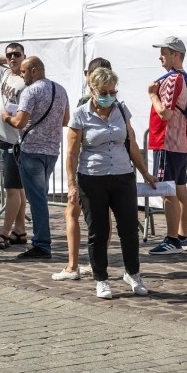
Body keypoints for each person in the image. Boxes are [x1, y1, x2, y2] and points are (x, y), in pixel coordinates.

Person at [66, 67, 156, 299]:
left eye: (113, 91)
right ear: (93, 90)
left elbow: (132, 143)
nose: (109, 96)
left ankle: (133, 274)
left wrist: (145, 172)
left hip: (122, 174)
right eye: (104, 91)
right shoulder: (80, 114)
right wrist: (71, 184)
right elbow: (72, 152)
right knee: (98, 230)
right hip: (92, 177)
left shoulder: (121, 110)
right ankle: (102, 279)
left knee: (129, 228)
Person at [2, 56, 70, 260]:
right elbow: (65, 120)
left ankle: (42, 243)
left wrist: (6, 117)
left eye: (23, 72)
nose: (21, 76)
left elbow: (20, 122)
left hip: (32, 149)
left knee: (37, 199)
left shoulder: (30, 91)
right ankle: (42, 241)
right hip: (52, 150)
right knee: (40, 195)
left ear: (33, 71)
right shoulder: (60, 89)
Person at [52, 57, 112, 280]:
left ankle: (72, 265)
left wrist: (71, 180)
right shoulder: (114, 100)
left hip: (88, 169)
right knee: (103, 219)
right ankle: (97, 263)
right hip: (110, 169)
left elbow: (74, 145)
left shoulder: (86, 102)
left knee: (72, 213)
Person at [147, 36, 187, 255]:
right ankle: (183, 237)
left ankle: (172, 239)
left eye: (164, 53)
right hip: (178, 142)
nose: (160, 57)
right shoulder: (181, 77)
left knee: (168, 191)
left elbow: (164, 113)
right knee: (180, 190)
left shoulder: (174, 79)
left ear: (175, 55)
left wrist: (152, 95)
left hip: (168, 141)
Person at [0, 43, 29, 251]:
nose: (12, 58)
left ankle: (4, 232)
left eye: (16, 54)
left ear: (24, 56)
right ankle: (19, 230)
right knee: (17, 189)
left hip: (15, 140)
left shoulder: (27, 80)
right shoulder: (5, 74)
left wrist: (22, 63)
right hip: (2, 137)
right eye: (9, 54)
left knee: (11, 188)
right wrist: (9, 60)